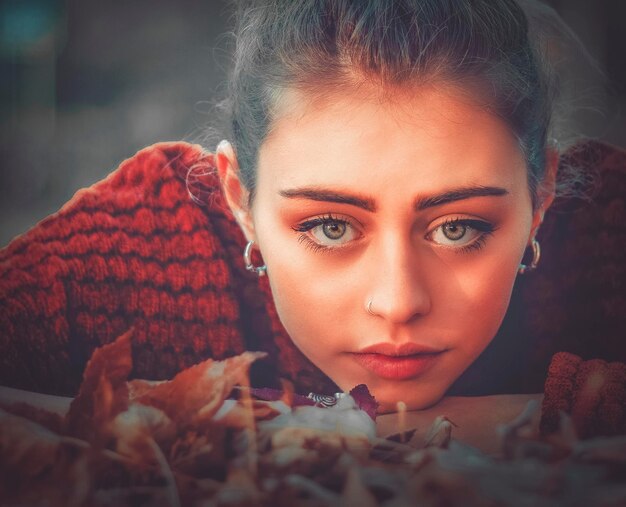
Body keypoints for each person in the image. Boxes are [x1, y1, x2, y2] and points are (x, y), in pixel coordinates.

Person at [0, 0, 624, 448]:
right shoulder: (144, 243)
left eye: (458, 228)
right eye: (330, 227)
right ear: (239, 198)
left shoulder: (606, 228)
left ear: (541, 193)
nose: (398, 303)